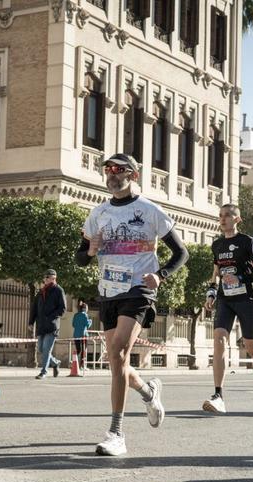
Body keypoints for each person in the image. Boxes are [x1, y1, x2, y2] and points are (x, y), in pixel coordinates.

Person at [75, 153, 188, 456]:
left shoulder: (150, 210)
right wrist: (90, 251)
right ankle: (148, 391)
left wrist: (161, 275)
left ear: (133, 175)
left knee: (118, 351)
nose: (111, 174)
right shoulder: (97, 214)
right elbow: (80, 257)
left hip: (138, 289)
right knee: (117, 362)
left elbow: (181, 253)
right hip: (109, 291)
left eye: (119, 170)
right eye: (108, 169)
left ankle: (116, 433)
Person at [202, 204, 253, 414]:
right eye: (220, 216)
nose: (223, 219)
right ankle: (218, 395)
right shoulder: (216, 245)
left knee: (251, 347)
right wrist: (211, 293)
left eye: (228, 215)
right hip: (225, 300)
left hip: (245, 299)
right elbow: (216, 272)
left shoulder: (246, 242)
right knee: (218, 341)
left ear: (238, 219)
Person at [29, 269, 67, 379]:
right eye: (44, 277)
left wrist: (51, 317)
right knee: (41, 349)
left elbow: (63, 309)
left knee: (46, 349)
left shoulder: (59, 290)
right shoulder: (41, 292)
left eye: (47, 277)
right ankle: (55, 363)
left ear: (53, 278)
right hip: (41, 325)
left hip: (52, 326)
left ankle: (43, 372)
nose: (44, 279)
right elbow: (34, 308)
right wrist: (31, 322)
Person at [72, 301, 92, 373]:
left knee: (78, 350)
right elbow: (87, 325)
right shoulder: (85, 315)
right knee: (84, 350)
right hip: (83, 335)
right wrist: (90, 321)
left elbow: (73, 324)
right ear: (85, 308)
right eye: (87, 308)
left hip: (76, 335)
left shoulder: (75, 315)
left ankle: (75, 363)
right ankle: (82, 365)